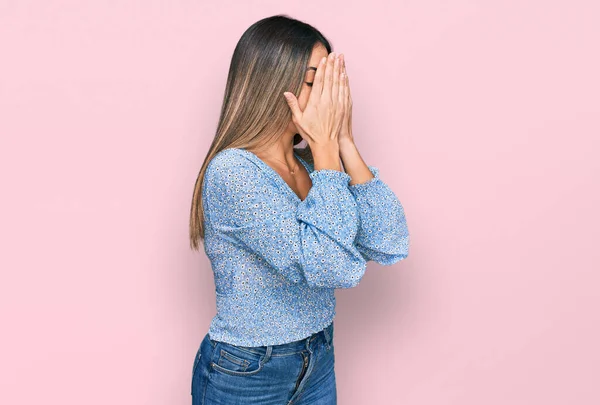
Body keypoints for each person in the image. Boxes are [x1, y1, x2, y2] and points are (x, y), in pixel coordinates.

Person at [188, 14, 410, 405]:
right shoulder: (234, 172)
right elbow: (328, 267)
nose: (328, 96)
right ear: (274, 82)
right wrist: (326, 151)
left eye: (331, 82)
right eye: (315, 82)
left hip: (318, 356)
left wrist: (343, 141)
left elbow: (388, 241)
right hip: (249, 372)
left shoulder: (311, 168)